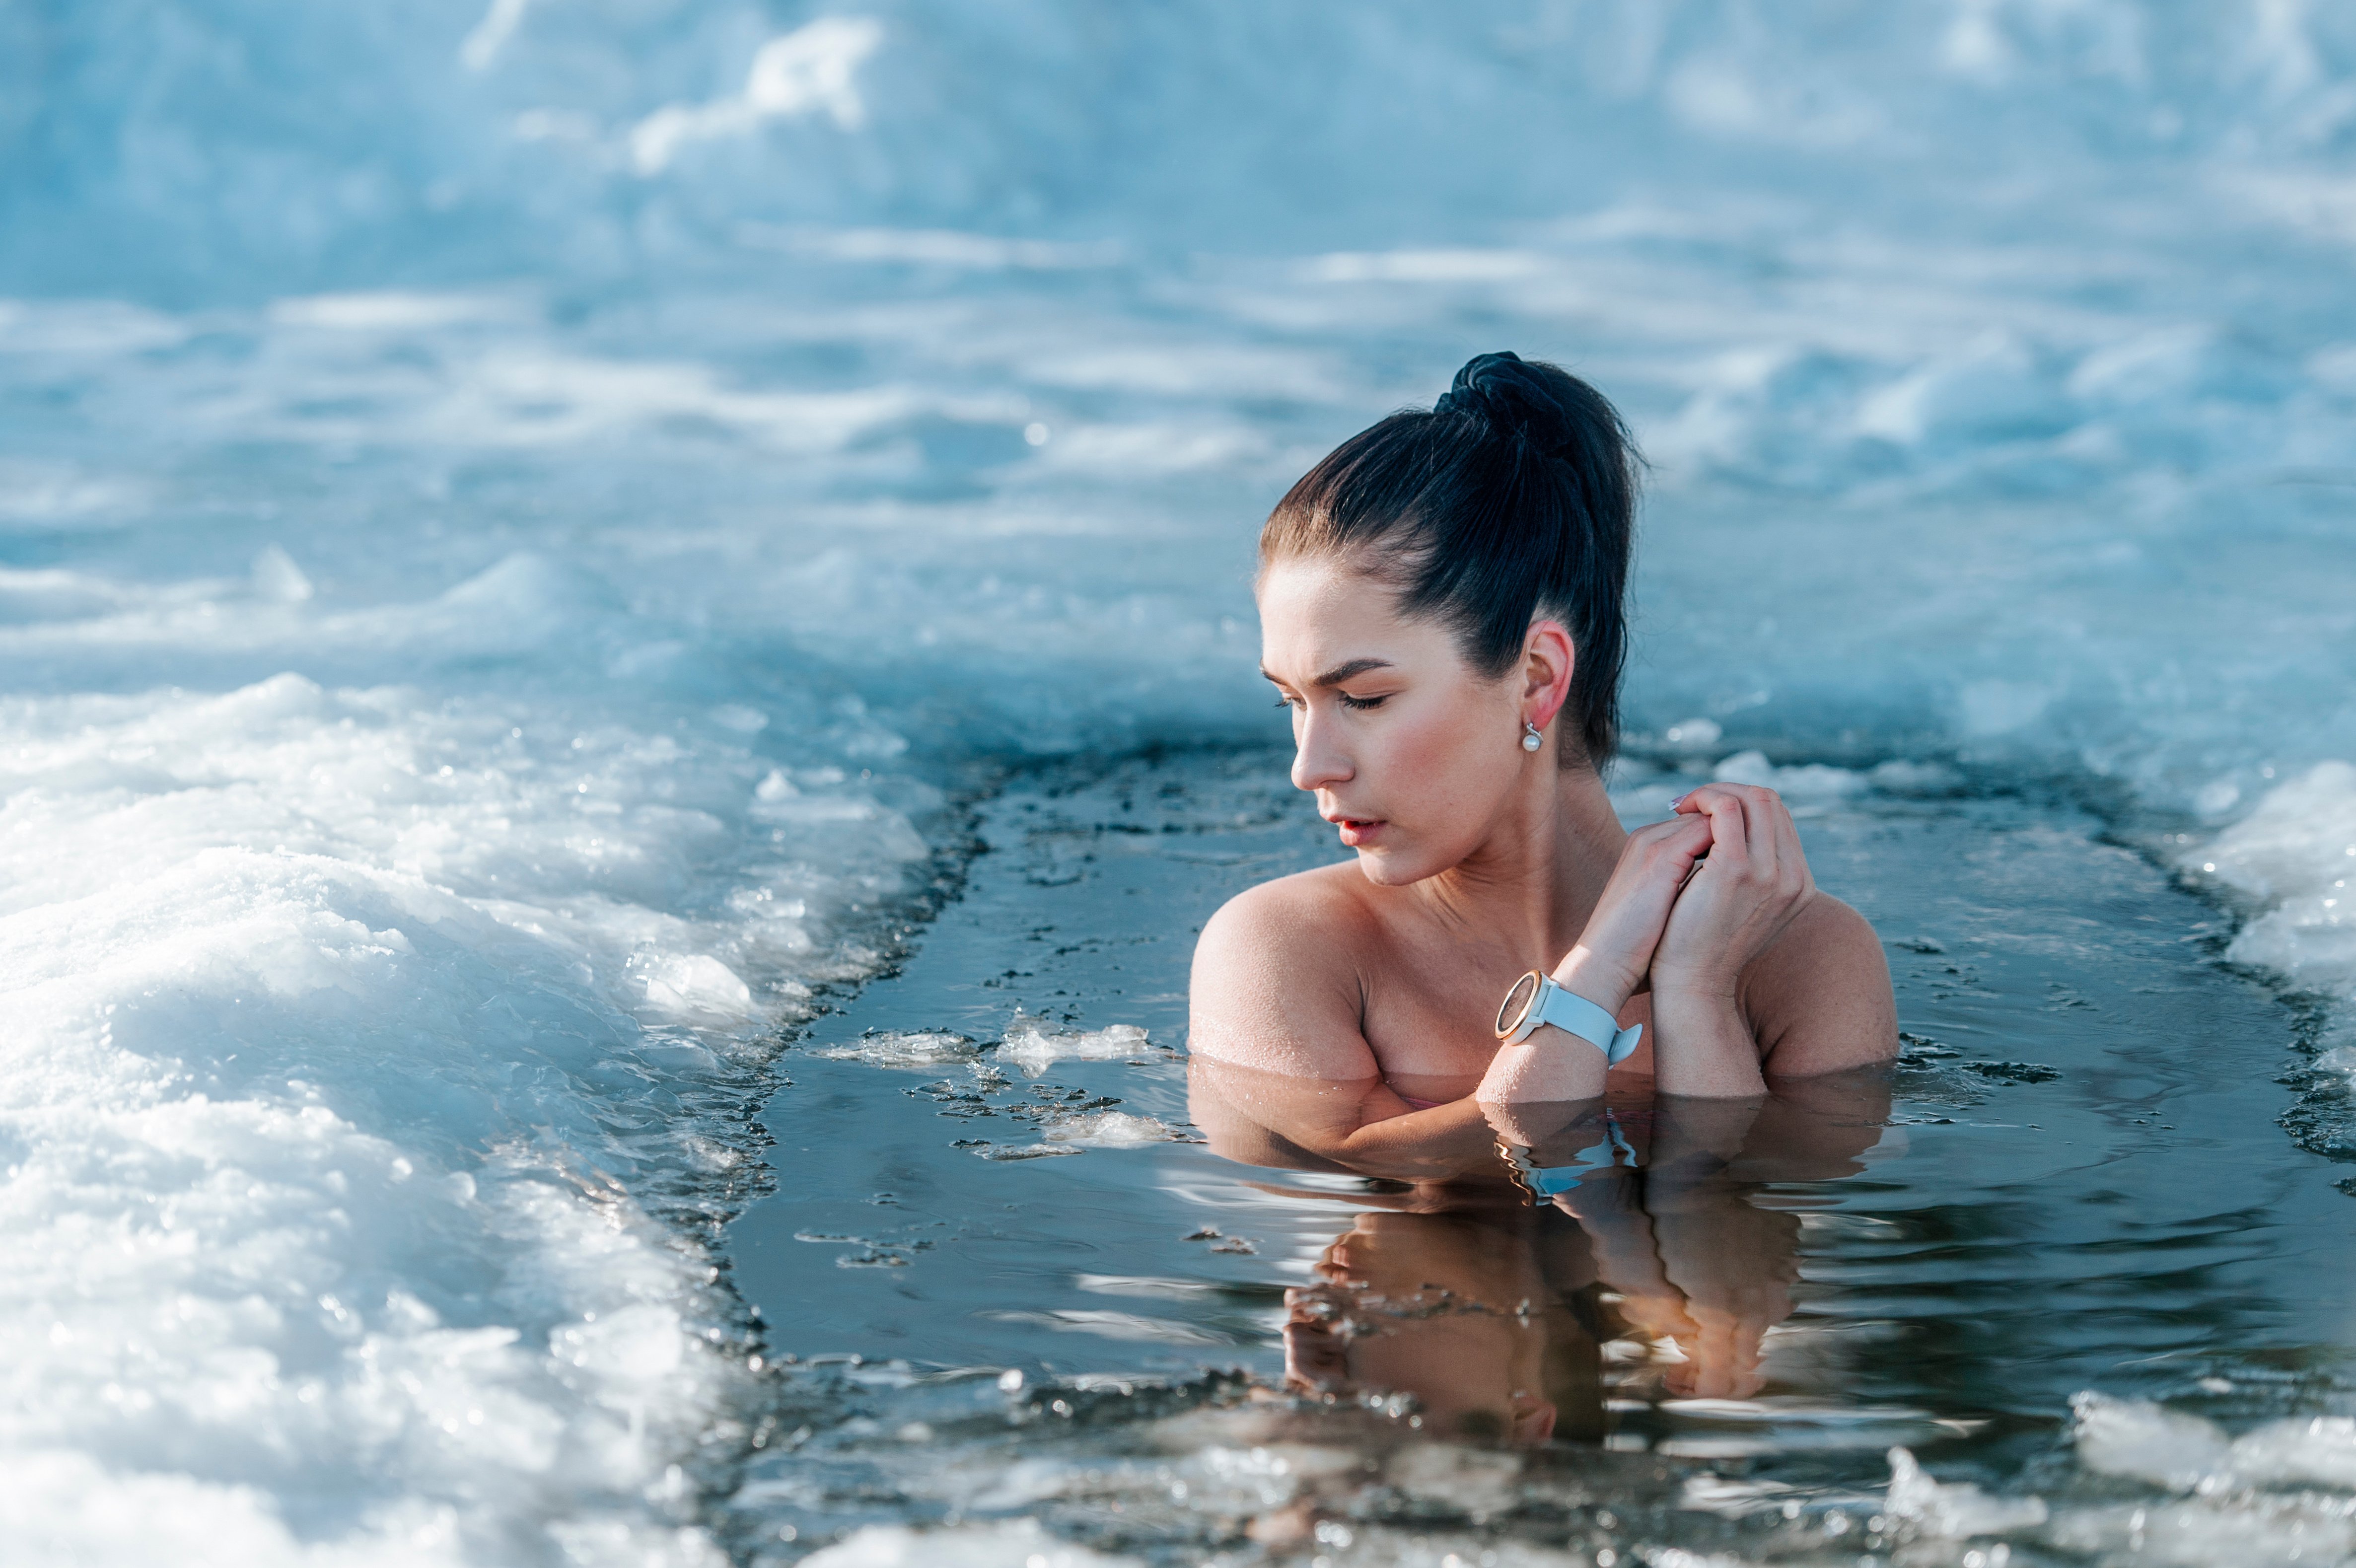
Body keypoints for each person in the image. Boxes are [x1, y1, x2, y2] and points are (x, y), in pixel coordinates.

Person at [1187, 351, 1897, 1124]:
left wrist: (1699, 991)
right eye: (1291, 700)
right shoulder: (1285, 950)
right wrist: (1597, 978)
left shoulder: (1804, 958)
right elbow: (1345, 1175)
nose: (1307, 767)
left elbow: (1734, 1235)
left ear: (1533, 676)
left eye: (1363, 698)